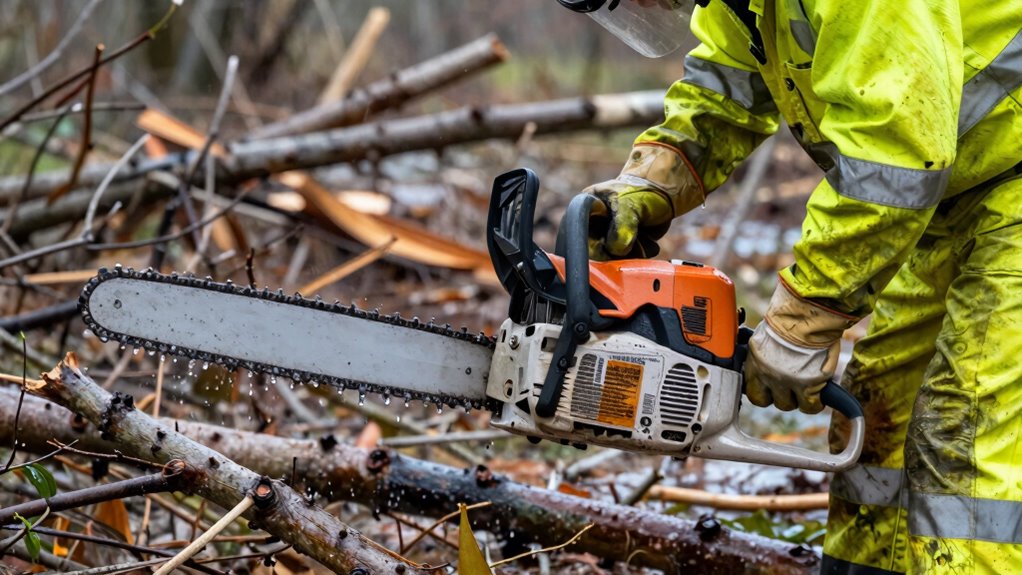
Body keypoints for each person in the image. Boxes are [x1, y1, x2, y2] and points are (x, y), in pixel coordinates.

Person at [557, 0, 1022, 573]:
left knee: (964, 429)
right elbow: (725, 88)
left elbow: (895, 151)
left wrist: (802, 319)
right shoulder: (744, 5)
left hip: (1008, 179)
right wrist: (650, 182)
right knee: (878, 416)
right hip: (956, 195)